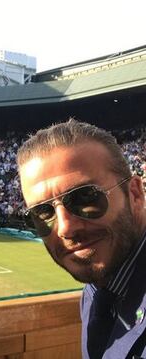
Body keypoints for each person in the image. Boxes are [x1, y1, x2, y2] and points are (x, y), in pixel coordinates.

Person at [17, 119, 146, 359]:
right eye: (42, 213)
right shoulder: (96, 291)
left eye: (86, 197)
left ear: (135, 194)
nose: (65, 228)